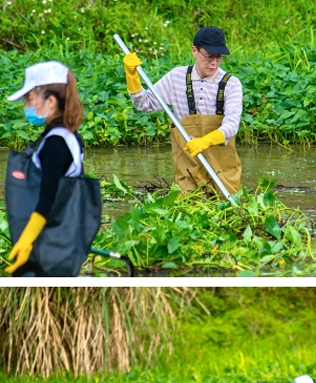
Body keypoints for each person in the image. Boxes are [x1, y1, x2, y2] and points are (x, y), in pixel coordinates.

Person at [123, 26, 242, 196]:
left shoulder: (232, 84)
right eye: (208, 56)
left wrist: (205, 141)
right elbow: (145, 104)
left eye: (219, 57)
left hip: (224, 174)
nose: (214, 63)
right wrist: (132, 76)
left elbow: (231, 125)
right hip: (188, 173)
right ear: (195, 51)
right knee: (188, 212)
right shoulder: (176, 78)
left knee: (231, 214)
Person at [5, 61, 99, 277]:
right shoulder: (62, 134)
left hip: (51, 245)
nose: (26, 105)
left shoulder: (57, 142)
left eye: (29, 99)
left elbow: (48, 196)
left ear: (50, 101)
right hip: (56, 241)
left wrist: (27, 240)